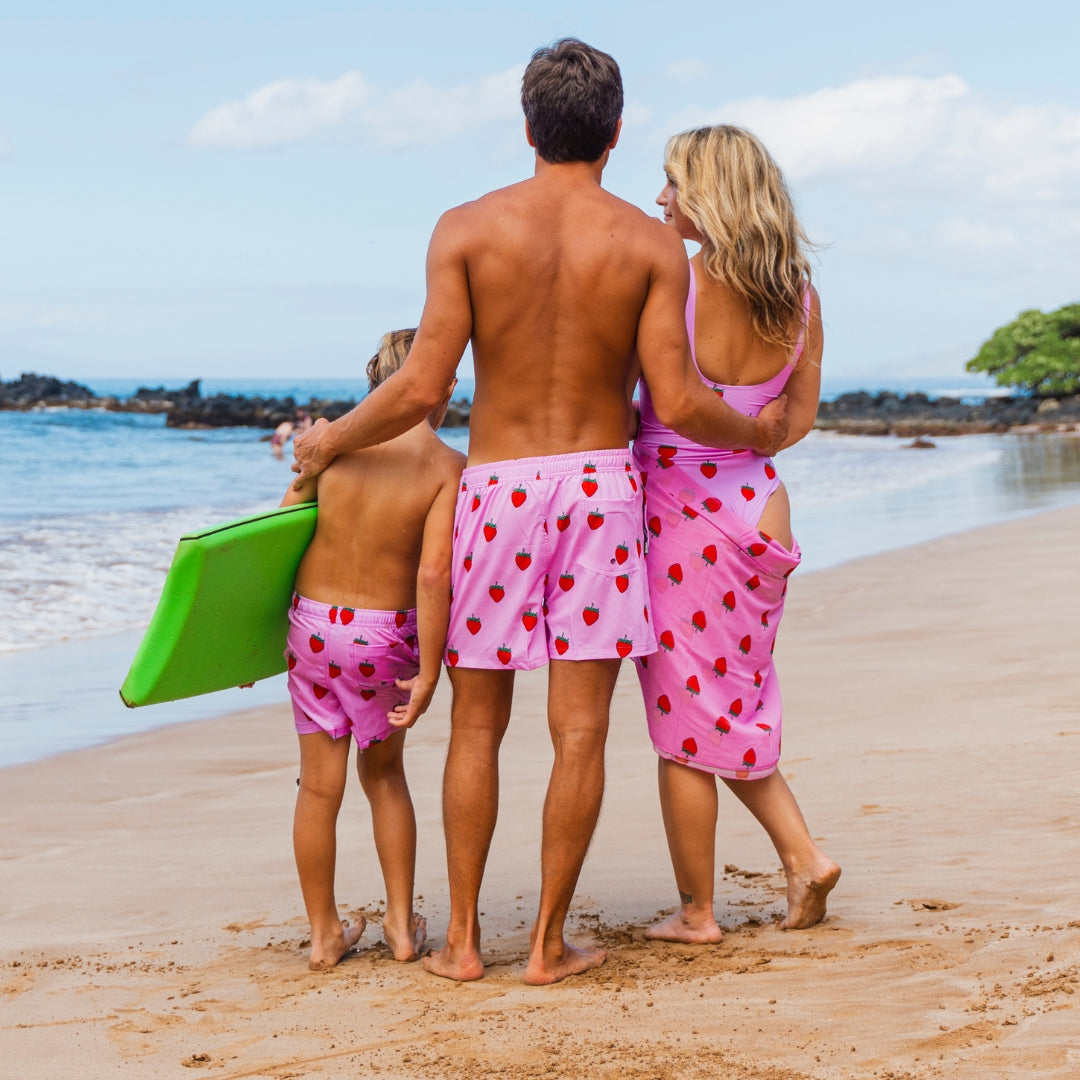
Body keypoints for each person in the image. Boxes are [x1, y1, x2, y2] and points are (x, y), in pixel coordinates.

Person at [291, 39, 790, 985]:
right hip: (601, 492)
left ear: (527, 127)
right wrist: (756, 435)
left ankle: (467, 945)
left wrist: (329, 442)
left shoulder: (467, 229)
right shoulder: (648, 246)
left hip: (497, 490)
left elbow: (420, 388)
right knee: (581, 733)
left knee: (477, 729)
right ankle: (549, 946)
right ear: (613, 132)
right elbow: (679, 402)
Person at [633, 125, 840, 943]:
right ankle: (799, 859)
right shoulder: (801, 295)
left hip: (684, 519)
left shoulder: (671, 285)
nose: (660, 200)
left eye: (673, 185)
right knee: (731, 700)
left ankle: (698, 911)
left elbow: (658, 404)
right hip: (761, 509)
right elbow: (796, 422)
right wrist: (750, 436)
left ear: (708, 194)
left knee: (684, 724)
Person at [281, 328, 464, 970]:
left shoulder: (332, 441)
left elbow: (277, 537)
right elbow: (433, 574)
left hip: (311, 627)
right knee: (385, 777)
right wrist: (433, 668)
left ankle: (324, 932)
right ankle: (399, 925)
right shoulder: (446, 466)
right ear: (438, 386)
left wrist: (247, 644)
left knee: (317, 789)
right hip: (384, 637)